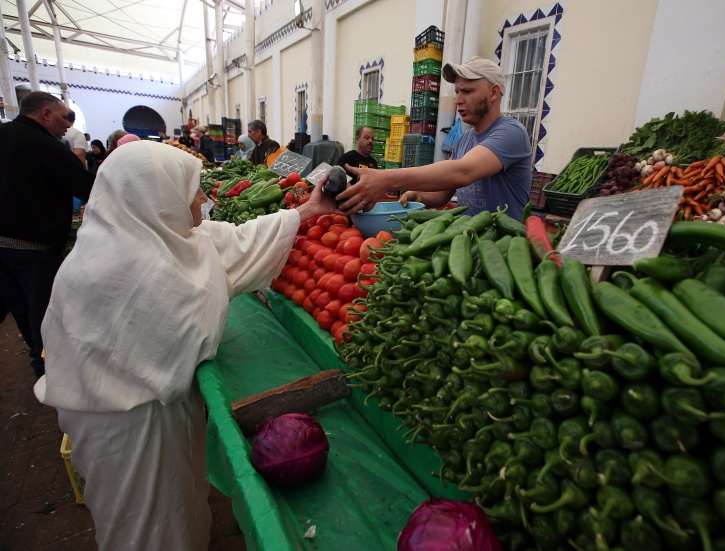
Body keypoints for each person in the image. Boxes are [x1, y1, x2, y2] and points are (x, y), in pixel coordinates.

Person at [34, 140, 341, 550]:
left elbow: (230, 241)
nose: (202, 197)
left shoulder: (148, 234)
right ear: (155, 197)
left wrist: (306, 211)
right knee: (146, 522)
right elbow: (195, 328)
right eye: (191, 188)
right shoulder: (116, 268)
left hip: (153, 408)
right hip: (124, 422)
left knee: (178, 504)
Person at [337, 56, 532, 221]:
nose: (458, 100)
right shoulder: (464, 140)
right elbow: (444, 191)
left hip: (506, 253)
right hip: (469, 247)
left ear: (493, 93)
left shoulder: (511, 132)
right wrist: (419, 195)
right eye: (457, 92)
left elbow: (463, 172)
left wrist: (387, 179)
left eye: (468, 91)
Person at [0, 91, 94, 377]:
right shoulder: (45, 145)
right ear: (46, 114)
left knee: (20, 307)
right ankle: (50, 370)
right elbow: (87, 186)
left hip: (2, 245)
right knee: (44, 312)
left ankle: (38, 359)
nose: (69, 124)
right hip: (33, 245)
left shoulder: (3, 134)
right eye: (66, 117)